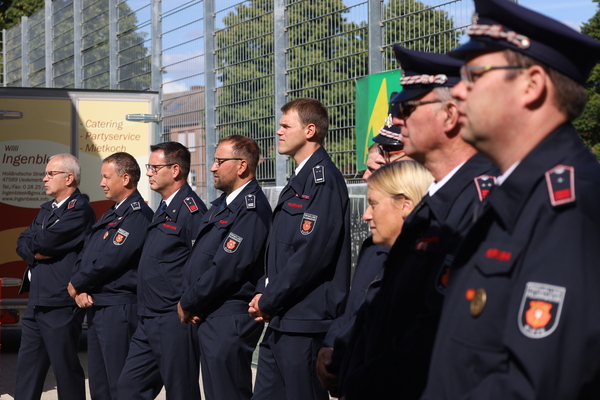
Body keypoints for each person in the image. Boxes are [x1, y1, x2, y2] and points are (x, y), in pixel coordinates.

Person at [422, 0, 600, 398]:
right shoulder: (516, 192)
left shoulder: (569, 206)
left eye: (474, 75)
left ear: (531, 85)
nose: (457, 91)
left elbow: (535, 386)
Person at [337, 46, 498, 400]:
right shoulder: (435, 198)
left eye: (407, 109)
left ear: (450, 115)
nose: (396, 120)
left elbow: (439, 330)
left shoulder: (482, 200)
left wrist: (364, 380)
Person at [249, 98, 351, 400]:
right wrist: (264, 289)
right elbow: (280, 250)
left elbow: (310, 256)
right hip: (284, 316)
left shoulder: (323, 181)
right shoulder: (301, 179)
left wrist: (269, 299)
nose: (278, 131)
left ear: (310, 130)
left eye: (285, 126)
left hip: (305, 321)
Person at [316, 160, 433, 397]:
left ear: (406, 205)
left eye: (373, 204)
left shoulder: (424, 268)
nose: (366, 215)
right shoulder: (380, 252)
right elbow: (354, 313)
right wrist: (330, 348)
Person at [177, 135, 271, 400]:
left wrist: (189, 301)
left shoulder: (251, 209)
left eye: (219, 161)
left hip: (229, 319)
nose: (212, 168)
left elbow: (226, 268)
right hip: (211, 313)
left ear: (242, 166)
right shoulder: (223, 204)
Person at [117, 142, 207, 400]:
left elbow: (201, 264)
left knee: (180, 392)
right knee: (129, 389)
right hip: (148, 317)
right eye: (149, 167)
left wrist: (190, 303)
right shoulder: (165, 207)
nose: (149, 173)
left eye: (155, 168)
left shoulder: (191, 211)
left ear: (175, 170)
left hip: (174, 318)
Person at [68, 152, 153, 400]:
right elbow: (86, 253)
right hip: (99, 305)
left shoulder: (137, 215)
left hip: (119, 309)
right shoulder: (112, 213)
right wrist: (80, 288)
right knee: (99, 384)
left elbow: (110, 260)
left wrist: (76, 283)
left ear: (125, 179)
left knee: (119, 383)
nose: (101, 183)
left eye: (106, 177)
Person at [15, 153, 95, 400]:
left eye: (51, 174)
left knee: (65, 370)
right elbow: (22, 242)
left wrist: (35, 248)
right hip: (37, 301)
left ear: (69, 178)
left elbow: (46, 243)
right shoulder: (47, 210)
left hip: (60, 303)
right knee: (27, 371)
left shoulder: (79, 210)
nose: (44, 178)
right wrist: (35, 251)